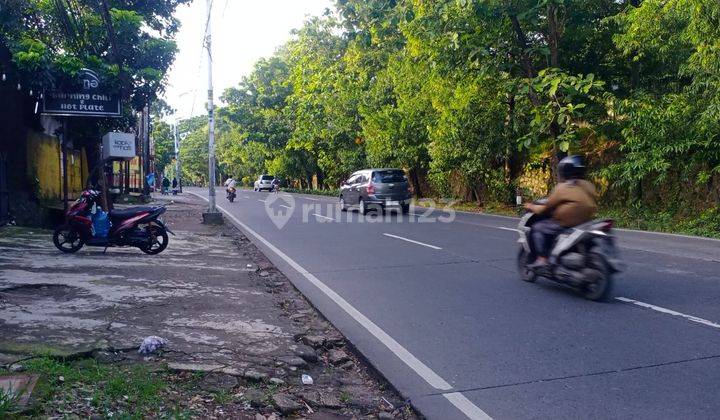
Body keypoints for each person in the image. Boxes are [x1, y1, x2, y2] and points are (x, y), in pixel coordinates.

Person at [523, 155, 598, 270]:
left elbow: (545, 209)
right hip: (586, 223)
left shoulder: (562, 187)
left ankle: (542, 259)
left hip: (565, 225)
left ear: (564, 171)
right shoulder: (589, 185)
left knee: (538, 227)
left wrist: (531, 206)